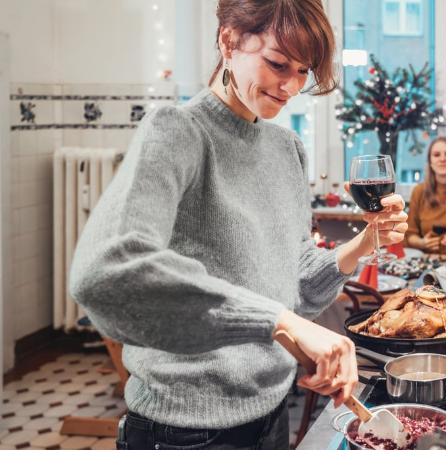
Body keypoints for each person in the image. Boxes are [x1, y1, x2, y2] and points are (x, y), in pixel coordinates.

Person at [68, 1, 408, 448]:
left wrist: (365, 242)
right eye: (277, 63)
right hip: (183, 433)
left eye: (304, 70)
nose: (291, 86)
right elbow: (105, 275)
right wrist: (279, 320)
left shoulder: (287, 149)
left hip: (269, 421)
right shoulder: (178, 132)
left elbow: (295, 286)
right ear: (229, 41)